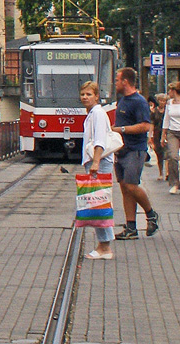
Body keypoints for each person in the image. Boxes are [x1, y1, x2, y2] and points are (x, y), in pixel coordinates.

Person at [112, 67, 159, 240]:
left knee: (132, 185)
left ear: (125, 81)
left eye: (117, 79)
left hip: (135, 150)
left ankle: (151, 213)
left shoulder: (139, 101)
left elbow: (145, 125)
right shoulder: (123, 100)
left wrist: (121, 129)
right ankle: (131, 226)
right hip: (121, 151)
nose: (115, 83)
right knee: (125, 188)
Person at [80, 80, 115, 260]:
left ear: (96, 96)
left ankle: (105, 246)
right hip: (96, 162)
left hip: (99, 162)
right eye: (83, 94)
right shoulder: (93, 113)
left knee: (99, 203)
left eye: (89, 94)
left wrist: (95, 162)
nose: (85, 97)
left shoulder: (98, 114)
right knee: (97, 203)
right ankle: (103, 244)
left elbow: (100, 139)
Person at [149, 94, 166, 181]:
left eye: (164, 101)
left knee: (168, 153)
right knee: (159, 153)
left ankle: (168, 172)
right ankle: (161, 172)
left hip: (166, 133)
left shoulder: (168, 111)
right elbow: (152, 124)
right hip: (157, 133)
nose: (162, 102)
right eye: (160, 100)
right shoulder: (154, 112)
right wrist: (150, 136)